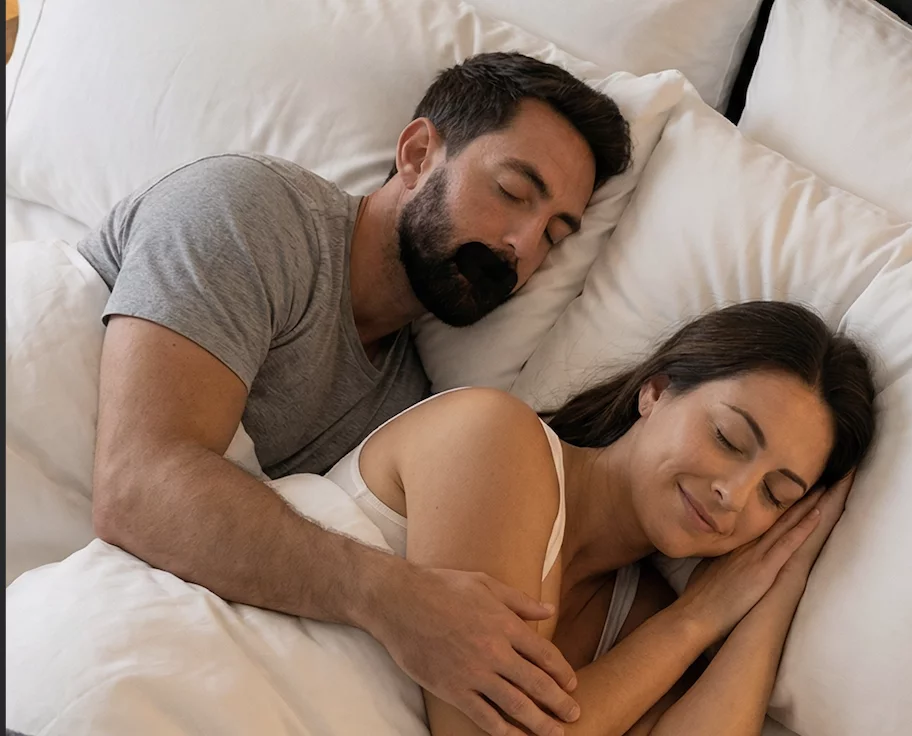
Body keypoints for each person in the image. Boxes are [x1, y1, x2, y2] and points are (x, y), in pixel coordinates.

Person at [77, 52, 632, 736]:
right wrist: (393, 599)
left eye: (553, 234)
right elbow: (137, 486)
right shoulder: (250, 215)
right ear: (419, 153)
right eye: (514, 192)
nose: (520, 248)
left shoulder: (407, 408)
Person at [321, 300, 878, 734]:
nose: (733, 495)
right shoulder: (495, 439)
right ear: (655, 393)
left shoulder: (642, 625)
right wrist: (699, 617)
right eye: (728, 439)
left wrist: (777, 589)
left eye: (775, 496)